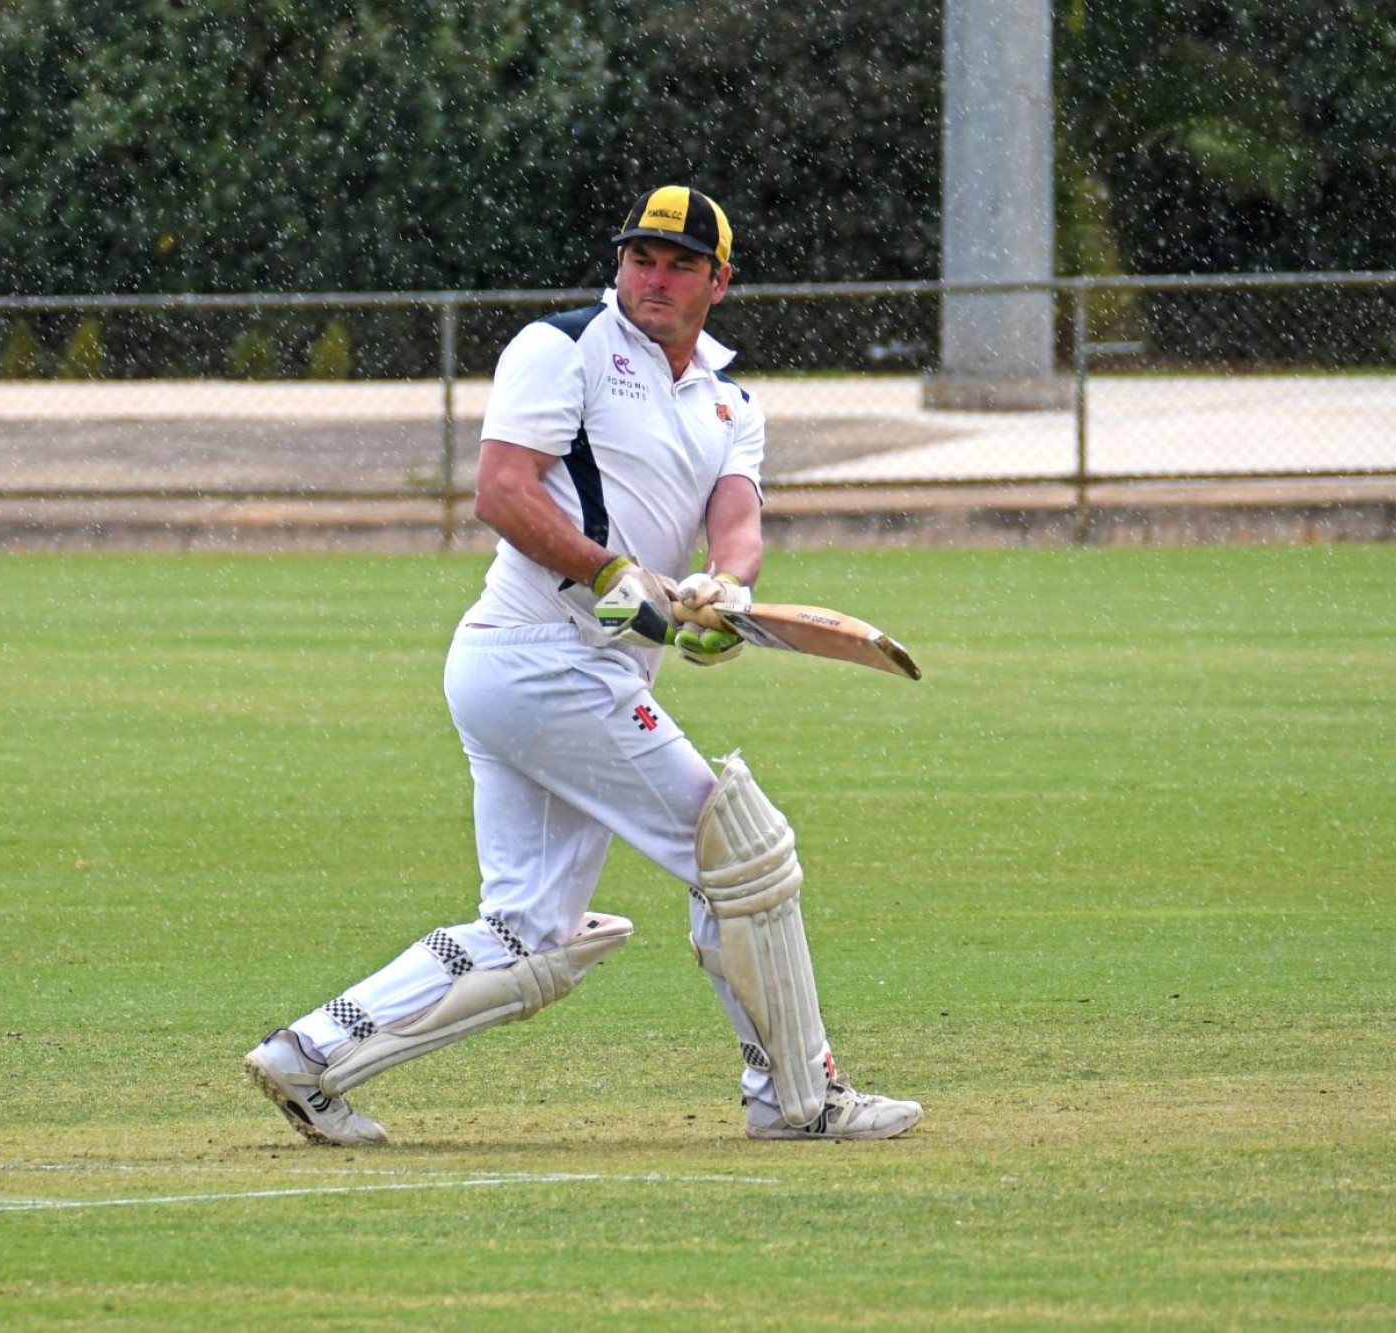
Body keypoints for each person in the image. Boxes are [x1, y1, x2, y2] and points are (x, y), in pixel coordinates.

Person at [245, 186, 922, 1145]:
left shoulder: (731, 401)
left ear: (719, 282)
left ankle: (310, 1056)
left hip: (563, 674)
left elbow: (737, 523)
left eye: (681, 263)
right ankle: (801, 1097)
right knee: (741, 849)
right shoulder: (562, 346)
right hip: (540, 656)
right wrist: (611, 571)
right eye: (641, 257)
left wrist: (721, 593)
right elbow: (502, 490)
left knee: (530, 935)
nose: (654, 277)